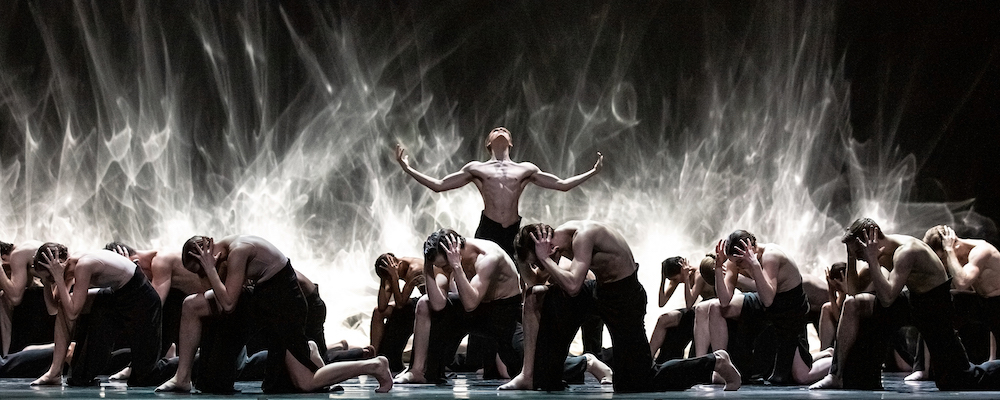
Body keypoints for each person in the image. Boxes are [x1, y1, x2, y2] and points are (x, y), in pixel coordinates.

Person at [397, 127, 603, 376]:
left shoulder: (525, 169)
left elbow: (561, 185)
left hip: (513, 232)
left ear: (512, 142)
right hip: (489, 231)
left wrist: (592, 172)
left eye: (504, 130)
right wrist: (407, 169)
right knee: (478, 291)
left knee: (515, 292)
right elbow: (440, 185)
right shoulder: (477, 168)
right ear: (488, 142)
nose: (500, 130)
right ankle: (478, 361)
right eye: (495, 130)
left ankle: (519, 351)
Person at [513, 221, 741, 392]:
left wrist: (545, 260)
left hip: (624, 297)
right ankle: (538, 376)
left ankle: (716, 361)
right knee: (541, 296)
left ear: (546, 245)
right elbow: (536, 282)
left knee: (636, 383)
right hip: (597, 290)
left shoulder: (582, 236)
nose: (541, 264)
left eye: (538, 260)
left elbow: (572, 286)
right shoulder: (557, 245)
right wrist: (524, 261)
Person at [155, 235, 391, 393]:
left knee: (305, 382)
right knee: (190, 305)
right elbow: (228, 297)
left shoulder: (238, 251)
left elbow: (228, 304)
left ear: (206, 253)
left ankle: (373, 365)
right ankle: (182, 377)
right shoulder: (225, 251)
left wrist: (210, 269)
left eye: (201, 269)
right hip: (264, 301)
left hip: (284, 306)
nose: (203, 277)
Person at [811, 218, 1000, 390]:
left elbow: (887, 299)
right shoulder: (879, 253)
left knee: (955, 380)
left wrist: (870, 260)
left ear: (873, 237)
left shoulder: (906, 251)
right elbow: (852, 291)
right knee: (855, 304)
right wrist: (851, 257)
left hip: (935, 306)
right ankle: (837, 375)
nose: (861, 256)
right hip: (912, 300)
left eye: (859, 251)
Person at [30, 243, 173, 387]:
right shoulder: (69, 268)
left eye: (51, 278)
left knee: (146, 376)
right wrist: (47, 282)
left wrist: (59, 279)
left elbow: (73, 313)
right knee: (80, 378)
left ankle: (189, 364)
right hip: (116, 295)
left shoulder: (83, 265)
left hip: (141, 298)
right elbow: (54, 308)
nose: (52, 282)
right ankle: (55, 372)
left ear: (60, 265)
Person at [392, 229, 523, 384]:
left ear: (456, 252)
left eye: (446, 265)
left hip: (504, 312)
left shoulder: (488, 257)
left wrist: (456, 266)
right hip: (476, 307)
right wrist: (428, 267)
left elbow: (470, 304)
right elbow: (438, 304)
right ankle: (417, 370)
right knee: (424, 303)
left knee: (523, 368)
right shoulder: (444, 259)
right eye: (441, 266)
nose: (445, 269)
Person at [707, 230, 826, 385]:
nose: (738, 267)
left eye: (740, 263)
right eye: (735, 263)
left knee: (802, 377)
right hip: (764, 301)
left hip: (789, 307)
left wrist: (754, 265)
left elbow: (768, 299)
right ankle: (721, 367)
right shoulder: (735, 261)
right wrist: (718, 269)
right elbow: (724, 300)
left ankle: (833, 361)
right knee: (716, 308)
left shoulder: (771, 255)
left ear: (752, 249)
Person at [906, 225, 1000, 380]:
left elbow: (962, 282)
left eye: (942, 259)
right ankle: (922, 367)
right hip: (980, 300)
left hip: (997, 303)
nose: (943, 264)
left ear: (953, 243)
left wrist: (949, 251)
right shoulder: (957, 256)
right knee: (934, 303)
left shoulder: (980, 251)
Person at [649, 255, 715, 362]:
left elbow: (689, 303)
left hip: (710, 308)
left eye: (675, 279)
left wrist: (686, 279)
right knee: (663, 319)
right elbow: (662, 302)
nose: (675, 281)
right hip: (698, 309)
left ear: (682, 271)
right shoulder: (678, 278)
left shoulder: (699, 273)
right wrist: (663, 279)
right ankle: (648, 357)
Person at [371, 253, 428, 373]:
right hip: (416, 301)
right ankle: (373, 356)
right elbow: (382, 307)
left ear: (398, 263)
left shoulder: (415, 269)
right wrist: (384, 280)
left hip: (430, 302)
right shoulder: (393, 270)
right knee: (377, 312)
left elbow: (401, 304)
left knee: (402, 312)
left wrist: (395, 278)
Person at [1, 240, 47, 357]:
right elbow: (28, 284)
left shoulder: (18, 254)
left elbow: (15, 298)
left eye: (6, 267)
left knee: (4, 299)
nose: (8, 270)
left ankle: (7, 356)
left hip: (62, 290)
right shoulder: (27, 246)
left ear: (2, 257)